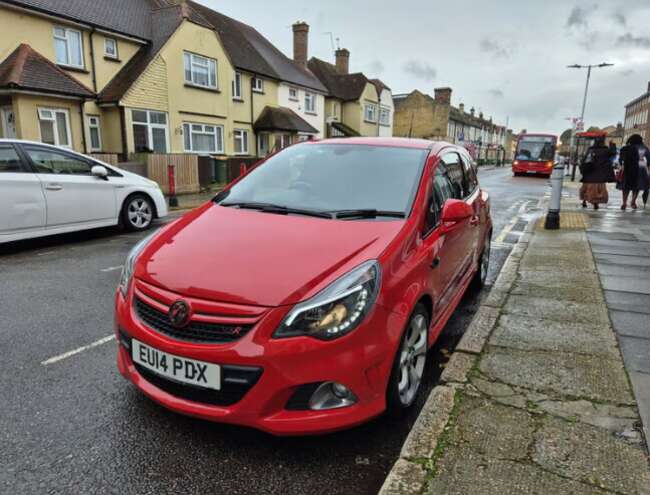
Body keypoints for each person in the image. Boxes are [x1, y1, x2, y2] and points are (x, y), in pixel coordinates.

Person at [579, 136, 615, 210]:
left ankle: (584, 201)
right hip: (600, 173)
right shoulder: (605, 150)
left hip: (590, 172)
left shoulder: (591, 149)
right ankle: (596, 203)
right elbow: (613, 153)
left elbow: (585, 159)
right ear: (603, 142)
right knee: (598, 190)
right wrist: (612, 144)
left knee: (587, 187)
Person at [619, 134, 650, 210]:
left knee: (626, 186)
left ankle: (624, 202)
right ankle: (633, 201)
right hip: (641, 167)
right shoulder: (644, 148)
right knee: (637, 186)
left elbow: (621, 159)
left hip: (628, 167)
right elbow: (649, 159)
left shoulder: (626, 148)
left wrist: (621, 165)